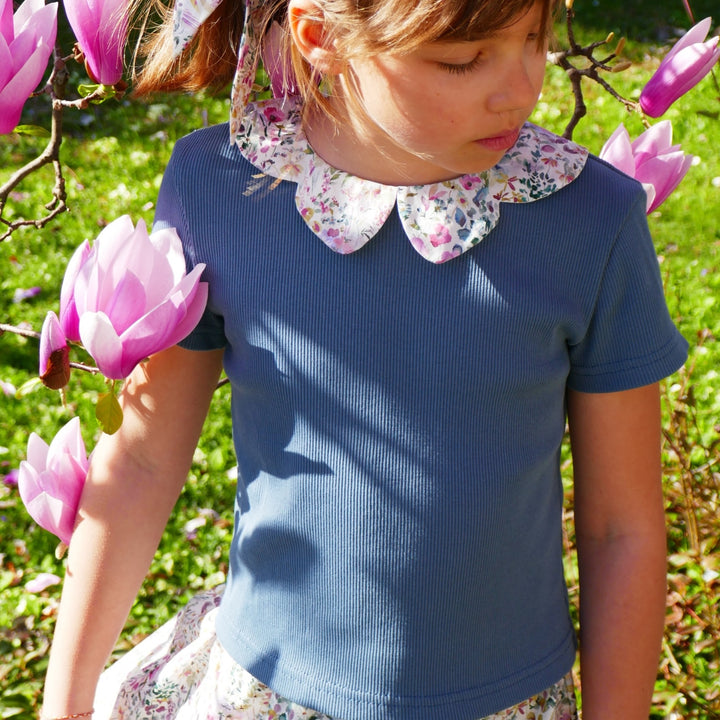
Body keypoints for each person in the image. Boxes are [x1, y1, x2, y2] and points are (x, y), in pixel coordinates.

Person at [39, 0, 689, 719]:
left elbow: (621, 527)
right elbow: (141, 461)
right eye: (462, 61)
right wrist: (64, 704)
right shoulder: (218, 188)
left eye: (534, 38)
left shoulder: (592, 220)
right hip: (265, 694)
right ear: (319, 36)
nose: (521, 88)